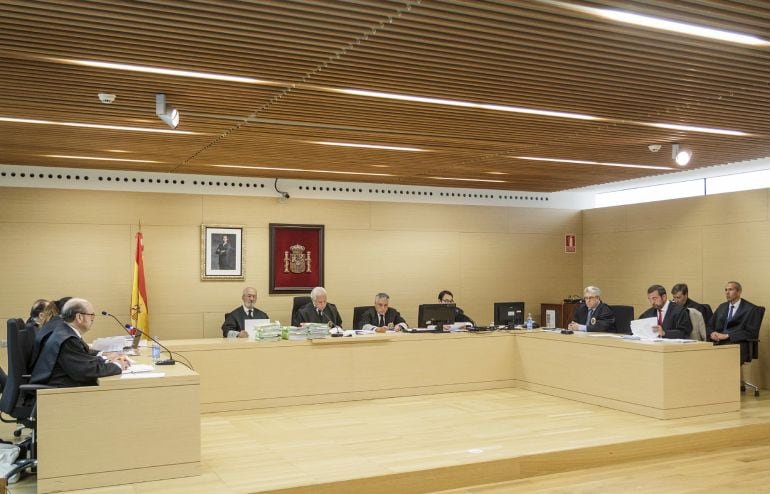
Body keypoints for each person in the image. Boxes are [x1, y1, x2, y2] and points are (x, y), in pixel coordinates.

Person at [30, 298, 129, 387]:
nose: (92, 319)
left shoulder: (65, 331)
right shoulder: (67, 339)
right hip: (59, 392)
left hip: (62, 384)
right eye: (91, 315)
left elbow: (81, 359)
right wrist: (118, 365)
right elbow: (85, 371)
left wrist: (105, 360)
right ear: (79, 317)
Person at [708, 281, 762, 362]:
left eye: (730, 290)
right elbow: (709, 325)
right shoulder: (722, 307)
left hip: (738, 342)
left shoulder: (751, 309)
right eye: (725, 290)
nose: (727, 293)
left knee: (722, 359)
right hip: (718, 342)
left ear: (739, 292)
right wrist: (712, 333)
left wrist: (728, 335)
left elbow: (751, 332)